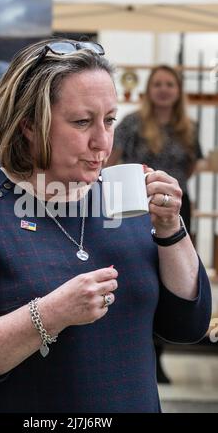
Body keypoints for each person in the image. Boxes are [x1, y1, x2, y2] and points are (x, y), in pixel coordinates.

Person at [0, 40, 211, 413]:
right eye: (81, 122)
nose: (103, 142)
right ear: (29, 125)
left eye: (109, 120)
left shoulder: (125, 197)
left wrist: (172, 228)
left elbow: (188, 326)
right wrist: (50, 314)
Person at [107, 65, 209, 383]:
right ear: (148, 89)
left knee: (174, 278)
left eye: (170, 84)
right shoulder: (131, 122)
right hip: (134, 208)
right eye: (158, 84)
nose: (163, 89)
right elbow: (112, 161)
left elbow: (191, 167)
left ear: (178, 91)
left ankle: (159, 356)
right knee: (141, 276)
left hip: (176, 208)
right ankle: (138, 349)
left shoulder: (188, 127)